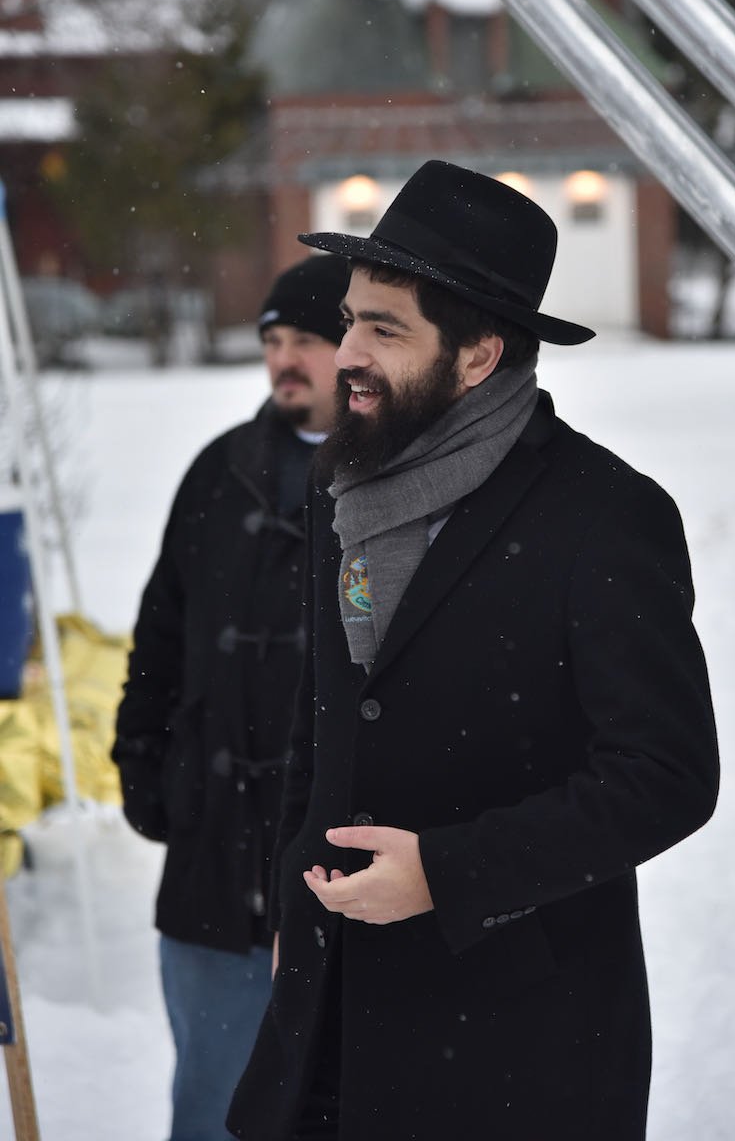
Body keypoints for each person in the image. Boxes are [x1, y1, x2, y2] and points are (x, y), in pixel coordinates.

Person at [227, 161, 719, 1141]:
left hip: (514, 1047)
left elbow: (666, 775)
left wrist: (451, 871)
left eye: (384, 328)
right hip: (327, 1025)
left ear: (481, 351)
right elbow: (321, 720)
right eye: (351, 317)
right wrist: (291, 890)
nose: (347, 350)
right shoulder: (344, 485)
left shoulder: (605, 518)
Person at [112, 254, 349, 1141]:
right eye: (274, 342)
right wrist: (143, 764)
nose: (286, 360)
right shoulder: (220, 472)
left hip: (335, 873)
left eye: (310, 342)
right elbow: (160, 634)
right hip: (213, 859)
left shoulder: (399, 479)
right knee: (213, 1107)